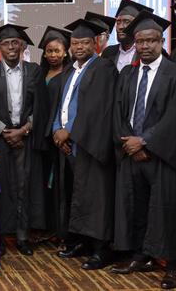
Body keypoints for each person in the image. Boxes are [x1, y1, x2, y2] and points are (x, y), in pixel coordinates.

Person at [110, 11, 176, 289]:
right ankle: (142, 255)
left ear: (161, 42)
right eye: (140, 41)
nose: (145, 46)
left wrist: (145, 141)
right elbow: (119, 112)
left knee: (167, 209)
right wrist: (130, 142)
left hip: (163, 155)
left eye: (151, 41)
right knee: (137, 206)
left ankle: (173, 264)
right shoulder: (128, 73)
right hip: (132, 152)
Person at [0, 24, 48, 256]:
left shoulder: (34, 71)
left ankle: (23, 235)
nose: (11, 47)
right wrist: (5, 130)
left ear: (22, 45)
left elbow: (42, 106)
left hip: (26, 136)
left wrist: (24, 129)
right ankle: (3, 235)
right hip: (0, 138)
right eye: (6, 43)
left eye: (15, 42)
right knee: (2, 185)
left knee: (25, 185)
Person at [50, 19, 117, 270]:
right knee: (77, 195)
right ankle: (82, 241)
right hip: (69, 143)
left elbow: (96, 109)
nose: (79, 47)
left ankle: (101, 248)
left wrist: (71, 133)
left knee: (96, 197)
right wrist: (57, 129)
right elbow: (61, 104)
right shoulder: (69, 70)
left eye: (84, 42)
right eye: (75, 43)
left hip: (90, 144)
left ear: (96, 44)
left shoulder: (103, 68)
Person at [37, 26, 72, 238]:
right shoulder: (39, 73)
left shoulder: (69, 75)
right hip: (42, 137)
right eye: (49, 51)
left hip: (59, 135)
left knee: (61, 184)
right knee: (44, 184)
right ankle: (47, 227)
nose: (53, 55)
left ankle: (62, 231)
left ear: (65, 52)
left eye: (57, 51)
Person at [101, 0, 154, 72]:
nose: (120, 27)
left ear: (136, 25)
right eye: (118, 22)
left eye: (126, 22)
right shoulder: (108, 52)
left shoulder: (147, 52)